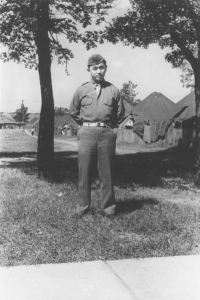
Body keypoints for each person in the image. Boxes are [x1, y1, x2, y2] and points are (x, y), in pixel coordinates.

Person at [69, 54, 124, 217]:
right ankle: (82, 208)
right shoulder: (81, 89)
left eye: (101, 68)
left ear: (105, 69)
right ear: (89, 70)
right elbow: (73, 111)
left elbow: (120, 114)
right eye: (95, 68)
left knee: (107, 173)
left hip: (107, 134)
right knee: (84, 171)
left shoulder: (114, 90)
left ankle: (108, 209)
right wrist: (86, 124)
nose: (98, 71)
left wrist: (111, 129)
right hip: (87, 133)